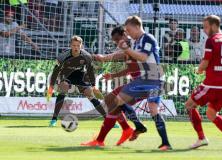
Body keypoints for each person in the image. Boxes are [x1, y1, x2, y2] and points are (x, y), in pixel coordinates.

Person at [82, 16, 172, 151]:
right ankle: (122, 131)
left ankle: (158, 139)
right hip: (142, 81)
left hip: (153, 79)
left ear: (135, 27)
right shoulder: (136, 42)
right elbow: (127, 61)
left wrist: (109, 57)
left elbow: (140, 57)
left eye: (128, 30)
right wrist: (105, 61)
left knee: (123, 103)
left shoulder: (146, 39)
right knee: (115, 101)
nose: (128, 33)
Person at [185, 15, 222, 150]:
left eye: (206, 27)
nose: (204, 30)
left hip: (211, 84)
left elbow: (205, 62)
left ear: (214, 25)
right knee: (211, 113)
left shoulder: (211, 40)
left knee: (189, 105)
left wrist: (199, 70)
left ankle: (201, 138)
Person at [93, 26, 148, 144]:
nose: (117, 42)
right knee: (111, 103)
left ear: (125, 34)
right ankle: (127, 129)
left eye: (118, 39)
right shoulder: (131, 47)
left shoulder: (133, 46)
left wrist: (103, 58)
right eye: (115, 41)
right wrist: (113, 76)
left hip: (141, 84)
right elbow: (130, 68)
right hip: (138, 83)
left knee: (112, 102)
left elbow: (118, 55)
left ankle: (131, 127)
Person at [47, 35, 106, 127]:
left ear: (81, 46)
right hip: (66, 75)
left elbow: (90, 71)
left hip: (80, 76)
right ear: (70, 45)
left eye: (78, 46)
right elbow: (56, 71)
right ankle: (54, 120)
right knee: (64, 87)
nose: (76, 47)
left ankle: (107, 119)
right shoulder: (63, 56)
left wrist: (94, 85)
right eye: (74, 45)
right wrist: (51, 86)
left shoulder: (87, 56)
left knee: (90, 94)